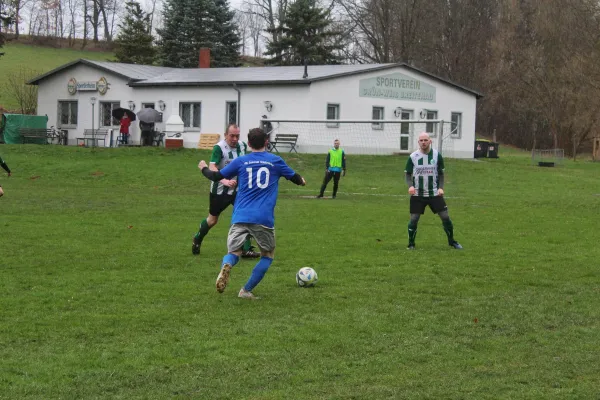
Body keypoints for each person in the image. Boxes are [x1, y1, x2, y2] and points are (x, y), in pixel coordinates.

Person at [198, 127, 306, 299]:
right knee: (267, 255)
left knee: (234, 253)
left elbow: (215, 176)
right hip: (263, 218)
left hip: (240, 216)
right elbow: (296, 178)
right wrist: (301, 181)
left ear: (248, 143)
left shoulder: (241, 161)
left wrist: (203, 167)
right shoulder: (275, 161)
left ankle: (227, 264)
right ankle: (246, 290)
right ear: (266, 142)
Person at [192, 124, 259, 258]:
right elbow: (212, 167)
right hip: (219, 191)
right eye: (232, 136)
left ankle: (246, 250)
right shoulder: (219, 147)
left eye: (237, 136)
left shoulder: (242, 146)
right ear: (225, 135)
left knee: (245, 216)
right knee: (212, 220)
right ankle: (197, 239)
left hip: (237, 191)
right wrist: (225, 181)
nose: (235, 139)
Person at [404, 132, 462, 250]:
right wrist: (410, 186)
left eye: (426, 140)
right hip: (418, 194)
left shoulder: (437, 155)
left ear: (430, 141)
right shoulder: (413, 156)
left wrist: (441, 187)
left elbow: (441, 174)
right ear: (418, 142)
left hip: (434, 193)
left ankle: (452, 241)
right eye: (421, 140)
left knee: (445, 216)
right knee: (414, 219)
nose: (423, 142)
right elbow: (407, 174)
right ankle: (411, 244)